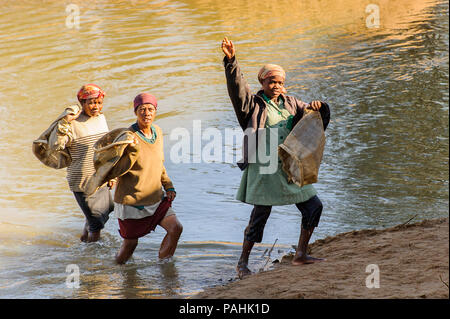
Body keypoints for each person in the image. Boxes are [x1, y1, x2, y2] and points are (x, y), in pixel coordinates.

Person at [221, 37, 331, 278]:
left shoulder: (292, 104)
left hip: (290, 166)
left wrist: (319, 107)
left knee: (314, 206)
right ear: (262, 81)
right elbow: (237, 89)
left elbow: (314, 123)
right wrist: (231, 62)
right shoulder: (252, 105)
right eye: (272, 81)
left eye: (280, 81)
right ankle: (242, 263)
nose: (277, 85)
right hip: (265, 168)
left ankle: (301, 254)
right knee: (260, 216)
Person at [113, 93, 183, 264]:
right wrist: (110, 178)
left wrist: (169, 186)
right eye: (142, 109)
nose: (146, 113)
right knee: (130, 245)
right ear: (135, 112)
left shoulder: (157, 132)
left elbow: (159, 162)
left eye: (150, 109)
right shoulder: (127, 136)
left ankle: (165, 267)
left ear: (155, 112)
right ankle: (114, 269)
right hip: (131, 202)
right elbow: (113, 164)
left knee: (175, 228)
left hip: (155, 198)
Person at [54, 84, 114, 242]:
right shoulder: (71, 123)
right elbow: (57, 145)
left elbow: (106, 148)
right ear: (82, 103)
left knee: (105, 210)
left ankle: (83, 239)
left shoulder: (101, 119)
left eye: (99, 102)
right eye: (92, 102)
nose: (96, 106)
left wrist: (112, 174)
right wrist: (64, 124)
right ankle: (93, 258)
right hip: (82, 180)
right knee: (96, 223)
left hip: (101, 177)